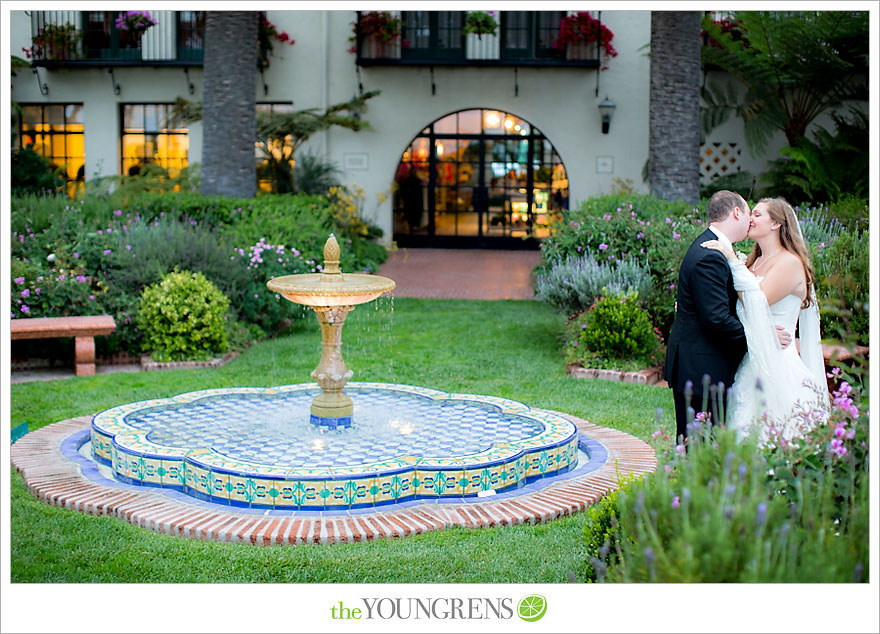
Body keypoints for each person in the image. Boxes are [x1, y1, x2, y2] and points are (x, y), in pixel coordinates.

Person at [700, 197, 830, 445]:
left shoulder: (790, 263)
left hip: (778, 361)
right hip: (754, 358)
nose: (750, 219)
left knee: (772, 434)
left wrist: (731, 260)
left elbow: (755, 302)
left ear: (776, 224)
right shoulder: (755, 261)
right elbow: (736, 303)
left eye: (758, 214)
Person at [664, 190, 752, 442]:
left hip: (700, 364)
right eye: (748, 213)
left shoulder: (713, 248)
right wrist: (758, 340)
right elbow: (716, 319)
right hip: (702, 368)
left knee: (703, 445)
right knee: (700, 447)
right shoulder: (709, 256)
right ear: (736, 212)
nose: (750, 222)